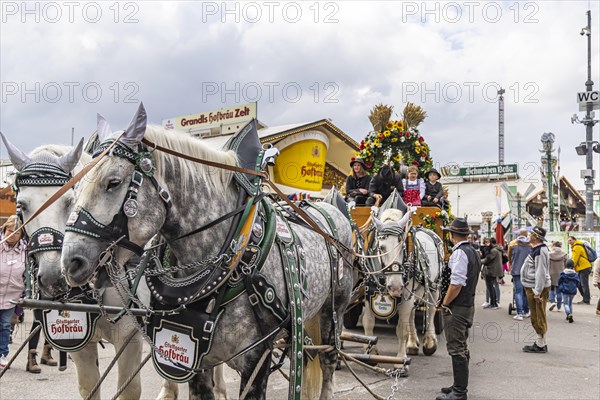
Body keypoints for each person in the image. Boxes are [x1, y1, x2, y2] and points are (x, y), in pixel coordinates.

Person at [436, 218, 480, 400]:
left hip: (458, 306)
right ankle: (458, 385)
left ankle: (460, 391)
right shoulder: (473, 251)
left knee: (456, 348)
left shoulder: (460, 253)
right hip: (467, 303)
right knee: (461, 345)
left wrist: (445, 303)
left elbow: (456, 284)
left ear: (453, 235)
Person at [0, 215, 26, 369]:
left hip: (12, 295)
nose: (12, 235)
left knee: (4, 325)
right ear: (4, 230)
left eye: (16, 233)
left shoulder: (24, 250)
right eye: (9, 231)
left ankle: (2, 354)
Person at [521, 225, 551, 353]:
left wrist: (537, 291)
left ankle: (540, 344)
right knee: (538, 314)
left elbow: (540, 272)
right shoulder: (538, 249)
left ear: (535, 237)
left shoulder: (539, 251)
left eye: (531, 234)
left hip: (535, 287)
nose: (529, 235)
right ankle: (541, 342)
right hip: (534, 286)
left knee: (538, 316)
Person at [508, 229, 532, 321]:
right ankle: (527, 311)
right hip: (528, 271)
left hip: (516, 270)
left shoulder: (512, 244)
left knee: (518, 291)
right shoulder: (531, 244)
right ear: (526, 235)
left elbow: (509, 257)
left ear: (518, 234)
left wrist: (511, 266)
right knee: (526, 292)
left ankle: (519, 313)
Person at [567, 236, 593, 304]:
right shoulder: (576, 246)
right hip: (582, 267)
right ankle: (585, 298)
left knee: (584, 284)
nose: (569, 242)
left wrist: (571, 267)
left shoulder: (577, 247)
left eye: (570, 240)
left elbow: (575, 259)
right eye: (568, 241)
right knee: (579, 283)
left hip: (584, 267)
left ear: (574, 240)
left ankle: (586, 300)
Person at [481, 238, 503, 310]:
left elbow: (487, 259)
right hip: (495, 270)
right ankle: (493, 303)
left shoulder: (494, 251)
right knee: (491, 287)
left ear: (491, 243)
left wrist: (479, 260)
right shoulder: (497, 249)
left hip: (491, 271)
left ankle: (493, 303)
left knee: (491, 287)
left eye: (488, 243)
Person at [548, 241, 567, 312]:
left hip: (551, 273)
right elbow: (566, 263)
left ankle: (552, 301)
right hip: (561, 273)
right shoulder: (564, 254)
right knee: (559, 291)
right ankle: (559, 307)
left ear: (553, 245)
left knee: (551, 289)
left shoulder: (549, 254)